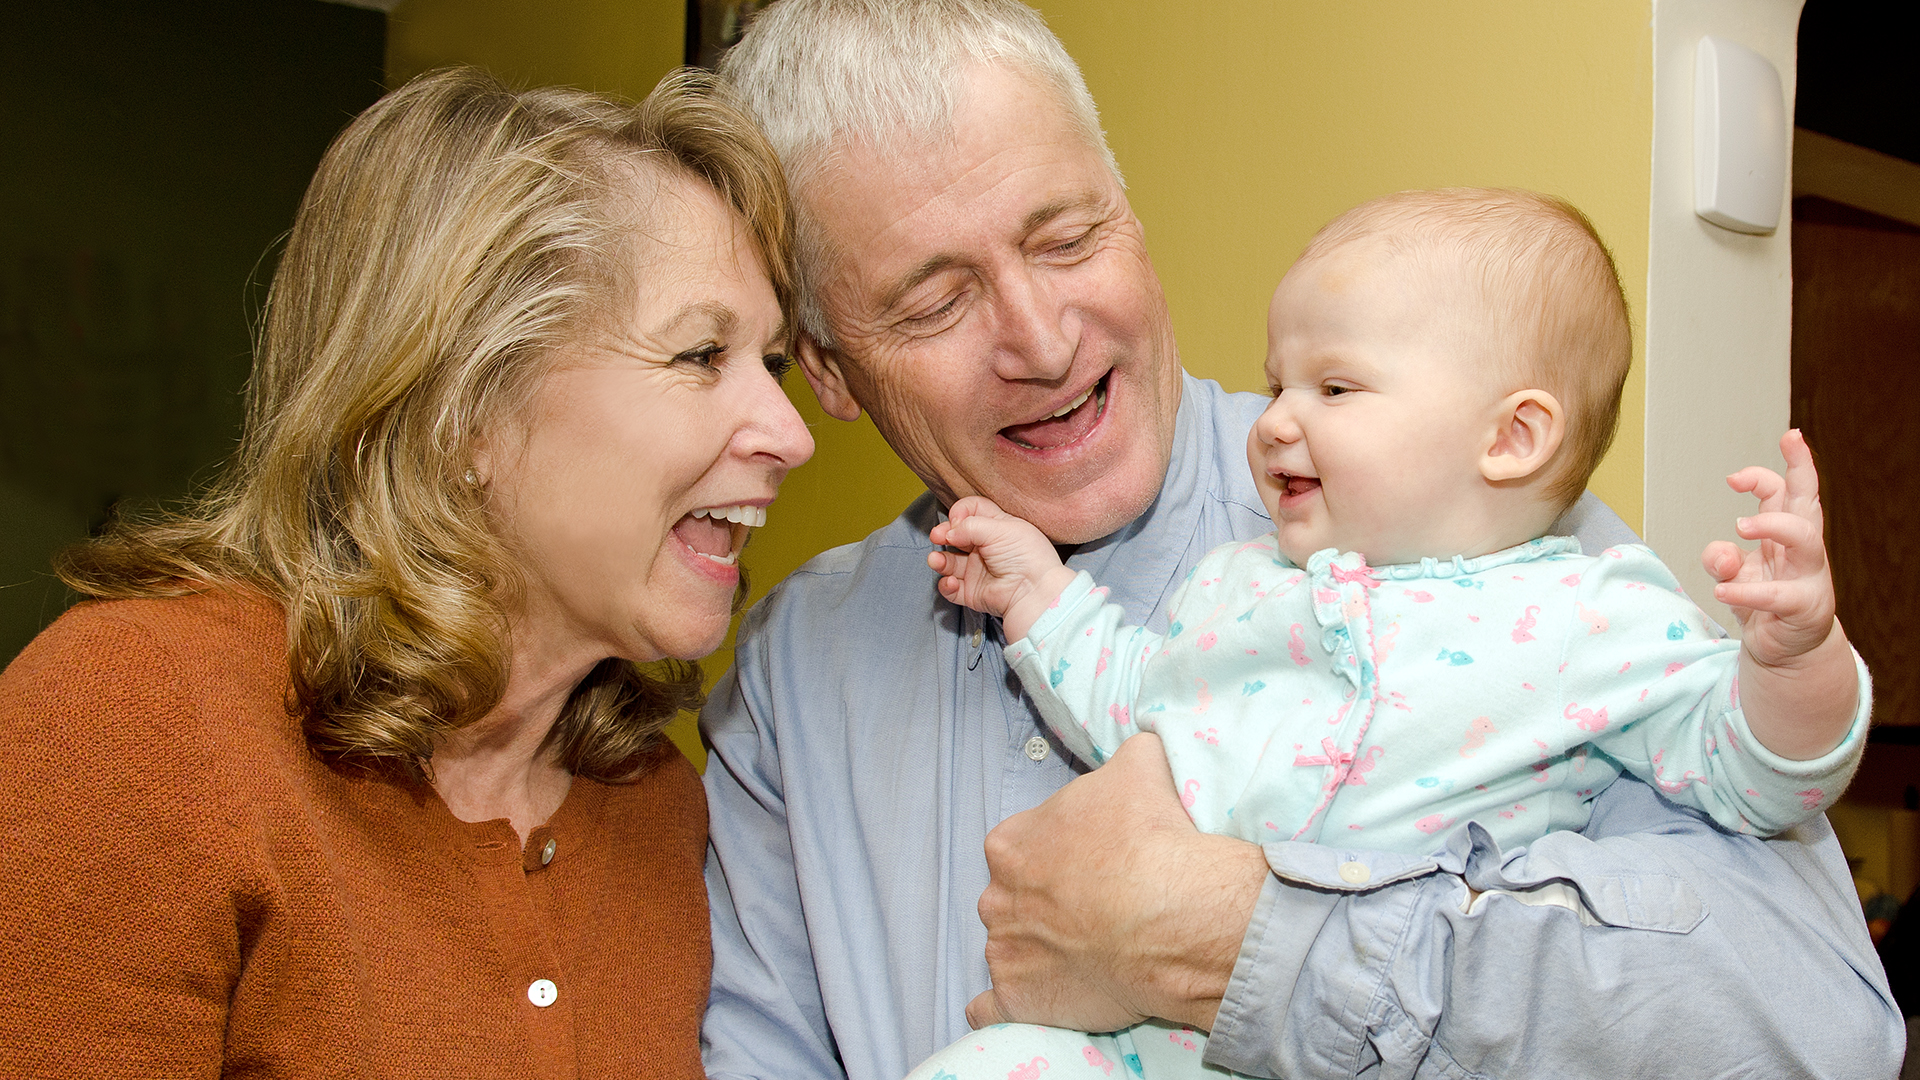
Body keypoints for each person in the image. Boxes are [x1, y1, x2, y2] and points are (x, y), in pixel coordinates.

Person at [700, 1, 1904, 1077]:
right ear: (830, 374)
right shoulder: (795, 673)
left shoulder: (1466, 538)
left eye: (1067, 237)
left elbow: (1813, 1029)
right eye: (935, 302)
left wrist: (1243, 941)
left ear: (1132, 214)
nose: (1042, 337)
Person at [908, 188, 1869, 1077]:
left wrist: (1795, 662)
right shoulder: (1241, 585)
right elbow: (1133, 699)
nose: (1274, 420)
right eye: (1275, 381)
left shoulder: (1591, 614)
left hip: (1380, 1041)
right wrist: (1040, 594)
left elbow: (1757, 778)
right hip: (1152, 1042)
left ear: (1511, 439)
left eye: (1333, 389)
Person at [0, 66, 813, 1077]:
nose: (790, 435)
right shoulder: (134, 721)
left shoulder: (659, 808)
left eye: (771, 365)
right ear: (464, 402)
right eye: (701, 354)